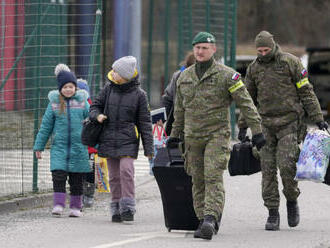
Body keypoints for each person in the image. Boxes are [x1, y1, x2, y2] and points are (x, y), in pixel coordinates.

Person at [167, 31, 265, 240]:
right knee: (198, 179)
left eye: (204, 47)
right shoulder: (184, 76)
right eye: (197, 47)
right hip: (192, 138)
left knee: (212, 176)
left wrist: (256, 131)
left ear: (213, 50)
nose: (200, 51)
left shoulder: (227, 75)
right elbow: (179, 110)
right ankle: (203, 219)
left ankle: (211, 218)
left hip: (216, 136)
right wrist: (175, 134)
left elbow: (246, 103)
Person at [237, 30, 328, 231]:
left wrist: (318, 119)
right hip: (265, 126)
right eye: (259, 50)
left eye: (266, 49)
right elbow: (248, 99)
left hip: (290, 123)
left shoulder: (291, 63)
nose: (263, 53)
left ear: (273, 45)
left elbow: (306, 91)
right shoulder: (253, 69)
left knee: (287, 165)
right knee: (267, 170)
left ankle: (292, 200)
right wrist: (243, 125)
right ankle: (272, 212)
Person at [89, 56, 153, 223]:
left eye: (116, 71)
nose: (112, 73)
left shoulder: (140, 95)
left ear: (125, 74)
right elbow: (94, 106)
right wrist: (98, 115)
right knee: (114, 177)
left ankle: (128, 208)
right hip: (108, 138)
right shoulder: (107, 89)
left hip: (128, 139)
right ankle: (116, 206)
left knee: (126, 171)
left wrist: (149, 149)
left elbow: (145, 123)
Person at [33, 64, 91, 217]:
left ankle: (75, 207)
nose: (68, 89)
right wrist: (39, 146)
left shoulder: (83, 103)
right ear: (60, 89)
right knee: (58, 176)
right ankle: (58, 204)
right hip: (59, 148)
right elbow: (45, 126)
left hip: (79, 148)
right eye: (65, 87)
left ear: (75, 87)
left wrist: (98, 145)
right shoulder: (54, 104)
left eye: (71, 86)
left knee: (76, 180)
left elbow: (92, 124)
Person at [161, 51, 195, 135]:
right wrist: (161, 118)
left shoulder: (178, 75)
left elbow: (167, 99)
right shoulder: (178, 76)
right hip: (180, 126)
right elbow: (168, 99)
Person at [77, 78, 98, 208]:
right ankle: (78, 194)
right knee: (77, 172)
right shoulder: (71, 106)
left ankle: (89, 194)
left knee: (90, 172)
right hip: (77, 147)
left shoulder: (92, 108)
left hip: (90, 148)